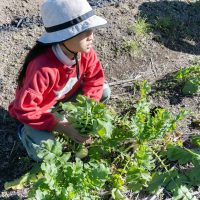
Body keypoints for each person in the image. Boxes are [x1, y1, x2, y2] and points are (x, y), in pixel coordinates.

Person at [8, 0, 110, 161]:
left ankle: (63, 116)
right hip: (38, 111)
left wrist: (85, 116)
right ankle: (24, 132)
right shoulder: (42, 68)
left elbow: (95, 79)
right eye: (84, 31)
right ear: (64, 36)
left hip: (62, 101)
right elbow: (25, 109)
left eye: (91, 29)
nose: (91, 35)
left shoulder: (84, 52)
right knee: (46, 151)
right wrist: (62, 128)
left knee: (104, 90)